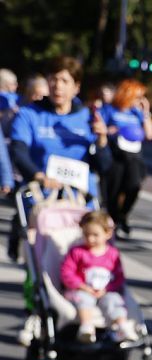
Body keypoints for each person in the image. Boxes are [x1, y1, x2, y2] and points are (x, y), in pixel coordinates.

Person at [8, 56, 111, 259]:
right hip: (42, 196)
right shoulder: (29, 114)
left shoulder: (87, 117)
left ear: (76, 87)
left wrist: (102, 140)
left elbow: (104, 165)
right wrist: (39, 176)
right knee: (44, 259)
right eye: (53, 79)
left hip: (80, 199)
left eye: (65, 81)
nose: (58, 86)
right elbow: (19, 152)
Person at [60, 210, 136, 343]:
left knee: (114, 301)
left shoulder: (112, 254)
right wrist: (82, 286)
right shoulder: (77, 252)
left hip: (105, 291)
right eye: (86, 234)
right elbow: (67, 273)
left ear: (107, 234)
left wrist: (107, 289)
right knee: (83, 300)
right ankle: (86, 326)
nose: (90, 239)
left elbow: (119, 277)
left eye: (95, 235)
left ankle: (122, 326)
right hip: (83, 290)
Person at [101, 79, 152, 238]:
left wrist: (146, 113)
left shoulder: (137, 113)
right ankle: (113, 222)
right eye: (138, 96)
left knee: (134, 186)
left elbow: (149, 135)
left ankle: (122, 215)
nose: (140, 100)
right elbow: (100, 129)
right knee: (113, 191)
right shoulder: (110, 110)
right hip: (115, 156)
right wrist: (113, 130)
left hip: (133, 157)